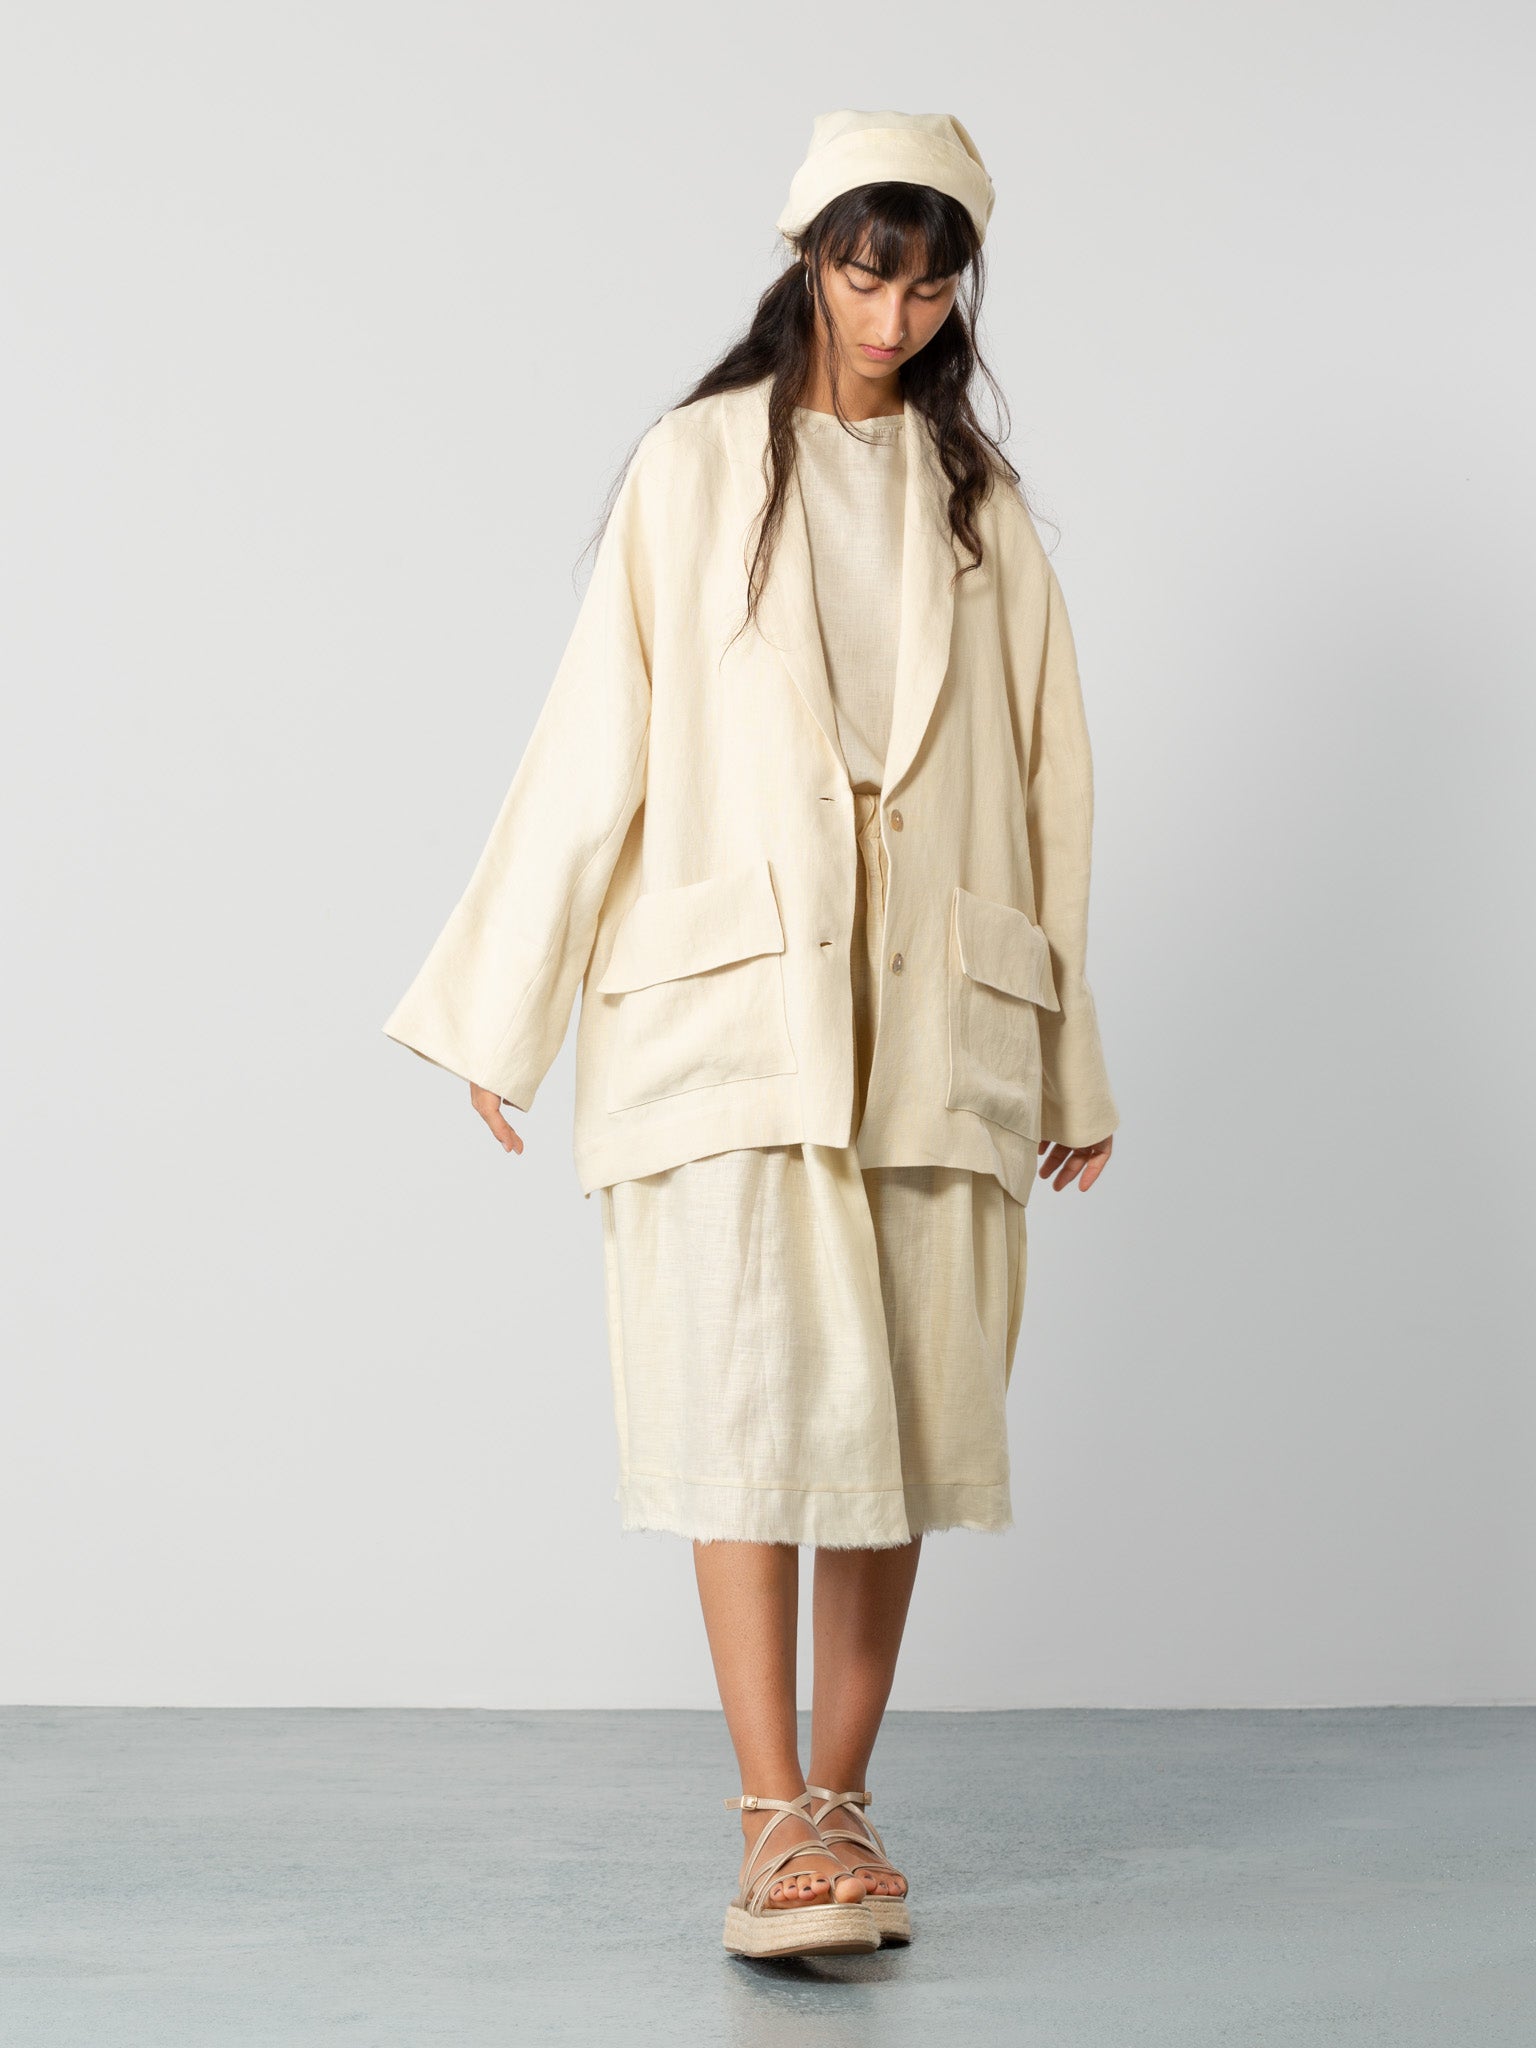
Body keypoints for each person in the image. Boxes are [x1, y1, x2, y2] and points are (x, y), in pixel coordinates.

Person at [382, 108, 1118, 1960]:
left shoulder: (979, 505)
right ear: (809, 257)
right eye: (869, 272)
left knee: (905, 1416)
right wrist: (504, 1006)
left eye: (930, 286)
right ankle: (769, 1817)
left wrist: (1070, 1055)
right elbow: (593, 738)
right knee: (753, 1403)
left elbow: (1052, 788)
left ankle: (846, 1805)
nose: (895, 314)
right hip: (734, 1011)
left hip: (934, 1013)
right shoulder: (697, 467)